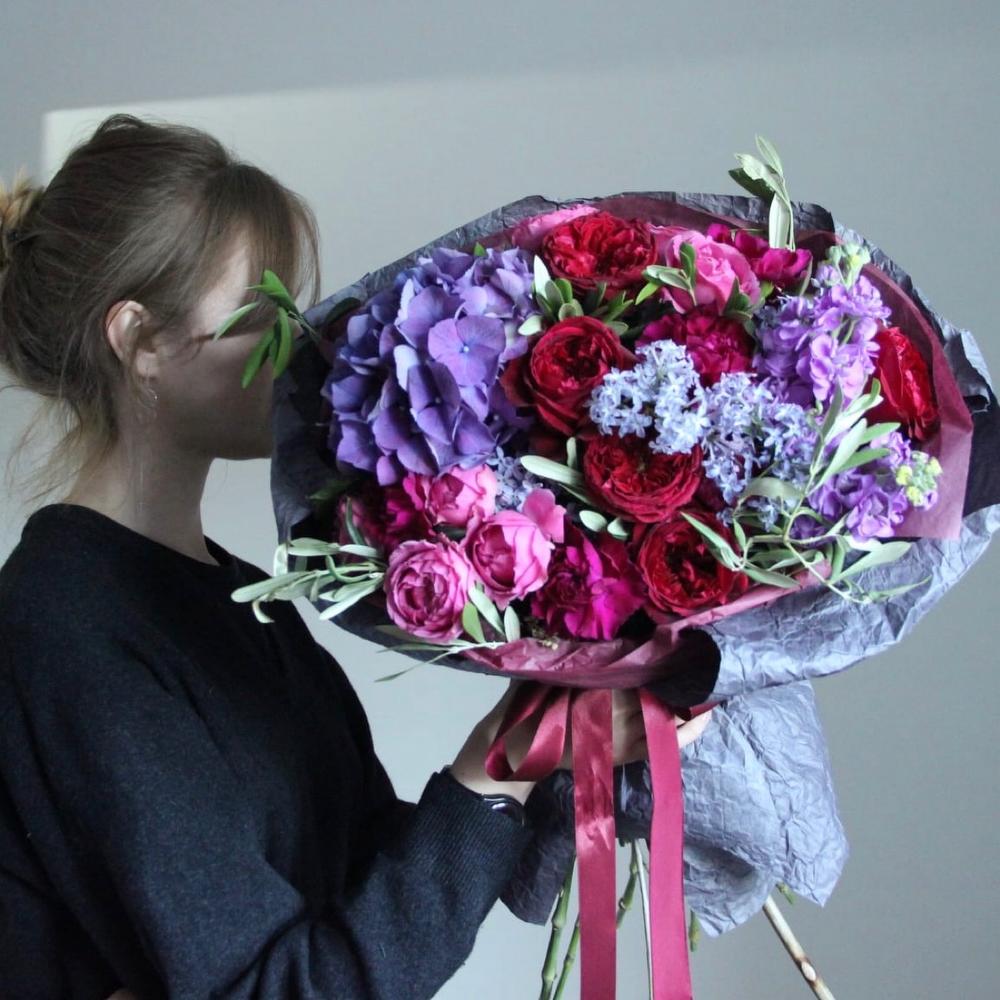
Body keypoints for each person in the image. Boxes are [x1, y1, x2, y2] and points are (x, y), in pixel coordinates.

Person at [0, 113, 712, 999]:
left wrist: (566, 725)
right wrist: (498, 760)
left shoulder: (229, 596)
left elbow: (358, 882)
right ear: (140, 341)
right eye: (260, 312)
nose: (303, 341)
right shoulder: (69, 628)